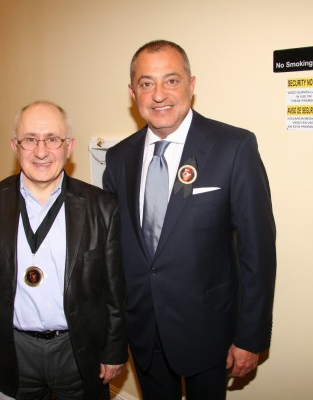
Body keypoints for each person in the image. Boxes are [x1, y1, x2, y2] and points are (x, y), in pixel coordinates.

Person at [103, 40, 277, 400]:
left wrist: (250, 336)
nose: (159, 94)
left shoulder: (234, 147)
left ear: (191, 85)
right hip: (144, 329)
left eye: (171, 80)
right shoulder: (118, 158)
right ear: (133, 92)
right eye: (146, 83)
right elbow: (114, 253)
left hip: (210, 330)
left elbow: (257, 252)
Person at [0, 101, 128, 400]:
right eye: (30, 139)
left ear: (69, 146)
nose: (41, 151)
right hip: (13, 349)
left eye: (52, 139)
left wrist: (114, 350)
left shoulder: (102, 207)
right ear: (15, 146)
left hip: (77, 349)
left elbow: (115, 291)